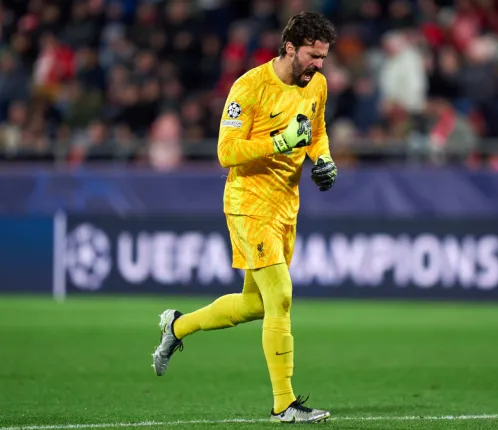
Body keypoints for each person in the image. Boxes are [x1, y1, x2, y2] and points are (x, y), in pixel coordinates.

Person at [152, 11, 338, 424]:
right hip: (248, 203)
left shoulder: (317, 85)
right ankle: (284, 404)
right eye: (313, 55)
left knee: (256, 304)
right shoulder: (249, 86)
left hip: (286, 207)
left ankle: (177, 327)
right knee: (282, 297)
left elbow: (318, 131)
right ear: (290, 48)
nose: (319, 65)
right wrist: (281, 141)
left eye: (323, 57)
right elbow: (226, 152)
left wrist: (322, 159)